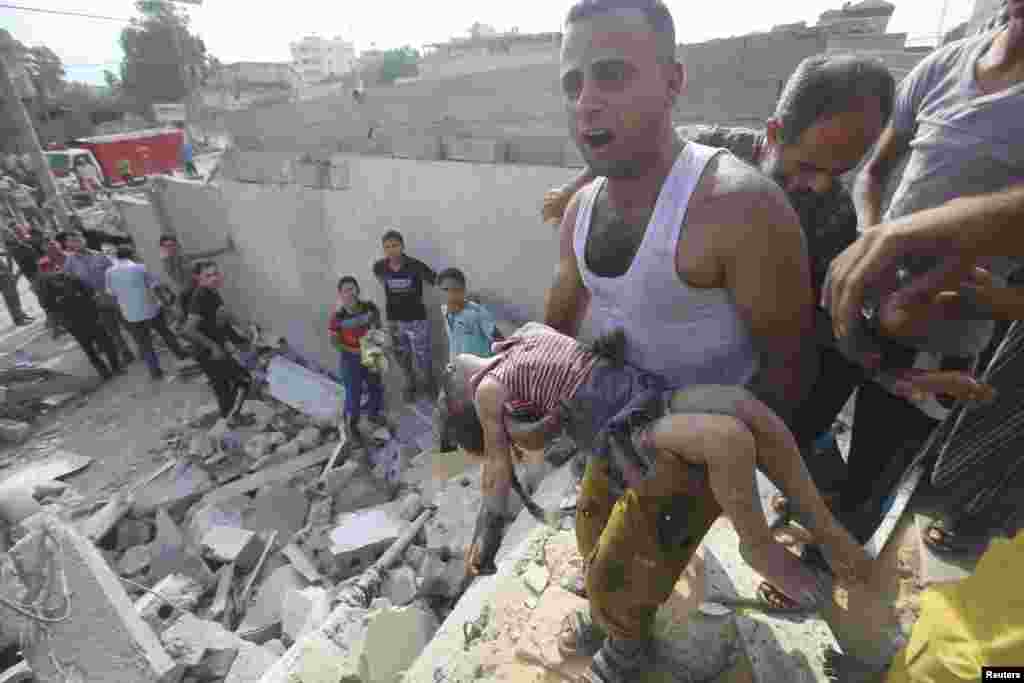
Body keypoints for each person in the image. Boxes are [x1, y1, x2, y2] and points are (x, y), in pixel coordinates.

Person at [442, 322, 872, 683]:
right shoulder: (525, 337)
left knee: (745, 414)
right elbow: (548, 407)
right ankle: (759, 544)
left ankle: (786, 537)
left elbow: (498, 466)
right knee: (732, 434)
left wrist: (489, 529)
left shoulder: (487, 391)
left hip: (633, 415)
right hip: (636, 411)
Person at [824, 0, 1024, 544]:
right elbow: (874, 173)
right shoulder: (943, 66)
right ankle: (819, 515)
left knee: (880, 461)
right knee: (817, 414)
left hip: (945, 325)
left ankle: (834, 554)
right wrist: (872, 234)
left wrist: (1004, 302)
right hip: (869, 297)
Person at [436, 267, 504, 451]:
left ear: (463, 290)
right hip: (457, 372)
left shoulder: (477, 313)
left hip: (479, 373)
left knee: (484, 414)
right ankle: (451, 451)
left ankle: (492, 448)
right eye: (446, 290)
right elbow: (454, 340)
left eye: (456, 290)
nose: (451, 295)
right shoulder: (445, 311)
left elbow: (499, 339)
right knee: (443, 407)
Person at [181, 260, 252, 423]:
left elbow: (223, 315)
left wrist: (242, 331)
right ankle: (233, 417)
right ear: (198, 278)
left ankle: (228, 419)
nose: (214, 278)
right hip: (207, 352)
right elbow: (188, 329)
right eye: (208, 275)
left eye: (216, 274)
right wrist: (213, 347)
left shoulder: (211, 292)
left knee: (222, 388)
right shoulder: (200, 296)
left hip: (212, 349)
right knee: (244, 380)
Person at [372, 229, 439, 402]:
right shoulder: (380, 267)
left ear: (402, 246)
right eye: (387, 247)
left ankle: (429, 384)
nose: (392, 250)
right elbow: (381, 279)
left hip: (417, 319)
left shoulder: (415, 265)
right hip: (395, 321)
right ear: (384, 249)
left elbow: (434, 279)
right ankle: (410, 384)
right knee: (402, 356)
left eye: (395, 245)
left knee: (423, 355)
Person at [106, 245, 189, 381]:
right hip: (150, 309)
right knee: (165, 333)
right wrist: (166, 304)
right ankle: (181, 354)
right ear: (132, 255)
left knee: (144, 343)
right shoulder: (140, 268)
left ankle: (155, 371)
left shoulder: (109, 272)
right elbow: (154, 286)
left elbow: (111, 293)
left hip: (130, 314)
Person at [60, 230, 135, 365]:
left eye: (78, 239)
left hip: (113, 296)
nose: (77, 243)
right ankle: (126, 353)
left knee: (128, 323)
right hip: (95, 302)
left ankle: (142, 347)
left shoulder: (99, 255)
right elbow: (68, 282)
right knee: (112, 330)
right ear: (69, 244)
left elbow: (114, 273)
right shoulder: (69, 262)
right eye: (73, 241)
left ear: (84, 240)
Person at [329, 276, 386, 443]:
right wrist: (354, 350)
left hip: (371, 353)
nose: (350, 292)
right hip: (350, 358)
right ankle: (352, 427)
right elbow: (334, 342)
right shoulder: (337, 317)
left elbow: (378, 326)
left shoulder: (369, 308)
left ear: (358, 290)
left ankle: (373, 417)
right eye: (346, 290)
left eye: (352, 288)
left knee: (376, 387)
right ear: (340, 294)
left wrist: (377, 341)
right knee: (353, 393)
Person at [36, 270, 121, 379]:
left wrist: (95, 310)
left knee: (102, 345)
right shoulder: (49, 290)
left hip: (87, 319)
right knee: (94, 348)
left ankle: (112, 369)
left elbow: (91, 293)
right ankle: (107, 372)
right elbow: (49, 310)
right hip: (77, 323)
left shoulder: (71, 280)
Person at [158, 234, 235, 317]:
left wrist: (225, 249)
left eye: (173, 245)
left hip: (202, 289)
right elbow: (179, 279)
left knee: (222, 313)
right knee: (215, 317)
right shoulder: (168, 263)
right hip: (192, 295)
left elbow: (204, 254)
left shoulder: (181, 256)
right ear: (163, 248)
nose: (171, 248)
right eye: (167, 246)